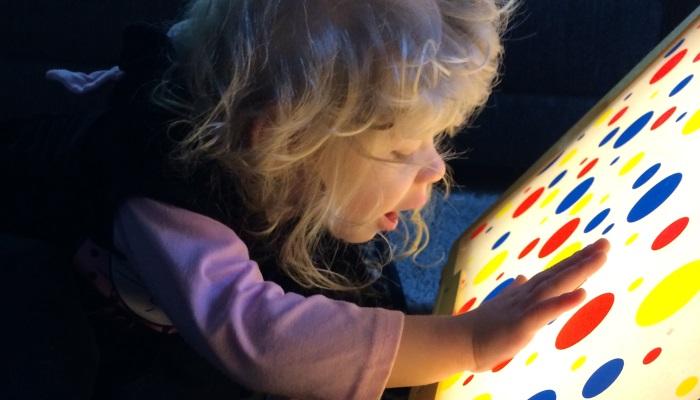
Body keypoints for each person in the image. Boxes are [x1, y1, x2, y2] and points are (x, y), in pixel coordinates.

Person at [13, 0, 611, 398]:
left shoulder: (272, 154)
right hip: (81, 285)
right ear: (280, 141)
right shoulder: (169, 202)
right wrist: (468, 343)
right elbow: (259, 336)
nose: (434, 167)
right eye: (403, 150)